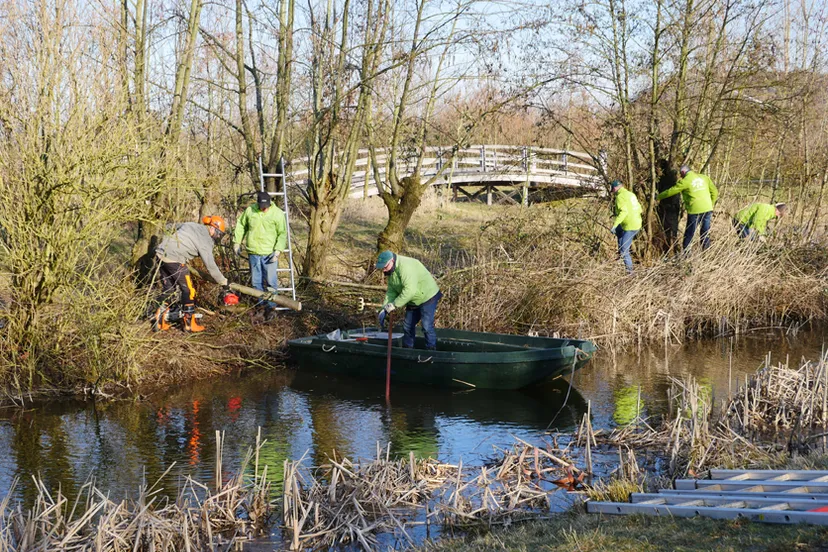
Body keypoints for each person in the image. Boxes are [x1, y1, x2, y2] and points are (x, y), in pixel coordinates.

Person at [153, 216, 229, 332]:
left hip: (161, 254)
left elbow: (169, 226)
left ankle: (159, 322)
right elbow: (211, 266)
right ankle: (189, 324)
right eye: (218, 234)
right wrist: (223, 282)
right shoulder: (206, 241)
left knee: (168, 289)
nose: (218, 237)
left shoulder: (192, 225)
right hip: (175, 259)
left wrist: (166, 240)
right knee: (188, 290)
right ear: (212, 228)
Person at [233, 191, 287, 320]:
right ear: (258, 203)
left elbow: (282, 233)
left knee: (270, 282)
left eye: (266, 206)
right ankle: (260, 306)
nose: (264, 208)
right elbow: (241, 225)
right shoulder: (250, 211)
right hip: (253, 252)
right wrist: (237, 242)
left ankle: (271, 307)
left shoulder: (277, 213)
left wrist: (278, 250)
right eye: (262, 206)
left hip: (269, 253)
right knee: (256, 282)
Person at [376, 250, 442, 351]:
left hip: (428, 296)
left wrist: (394, 305)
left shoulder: (406, 267)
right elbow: (391, 291)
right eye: (382, 268)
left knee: (426, 326)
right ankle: (408, 350)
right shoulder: (391, 271)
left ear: (392, 261)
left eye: (385, 267)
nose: (384, 271)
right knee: (407, 326)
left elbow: (409, 291)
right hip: (413, 299)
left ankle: (431, 350)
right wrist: (384, 308)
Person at [656, 165, 719, 253]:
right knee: (705, 232)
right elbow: (715, 192)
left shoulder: (685, 181)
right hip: (707, 209)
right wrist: (711, 204)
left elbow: (671, 191)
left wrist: (658, 196)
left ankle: (686, 254)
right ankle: (706, 252)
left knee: (689, 233)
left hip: (695, 210)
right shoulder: (704, 178)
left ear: (683, 173)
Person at [609, 180, 642, 273]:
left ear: (615, 188)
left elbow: (623, 212)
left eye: (613, 191)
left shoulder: (619, 197)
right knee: (619, 232)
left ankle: (630, 273)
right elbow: (640, 209)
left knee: (624, 249)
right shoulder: (631, 194)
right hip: (637, 223)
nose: (613, 193)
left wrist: (614, 225)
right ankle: (621, 257)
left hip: (630, 226)